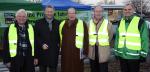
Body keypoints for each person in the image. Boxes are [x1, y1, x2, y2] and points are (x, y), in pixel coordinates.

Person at [114, 3, 149, 72]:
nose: (127, 11)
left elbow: (145, 39)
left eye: (129, 9)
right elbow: (117, 38)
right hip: (122, 55)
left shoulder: (140, 22)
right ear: (123, 11)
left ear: (133, 10)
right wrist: (116, 52)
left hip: (134, 56)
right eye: (125, 10)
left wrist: (144, 53)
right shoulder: (120, 22)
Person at [59, 7, 88, 72]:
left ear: (75, 14)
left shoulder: (82, 23)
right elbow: (60, 37)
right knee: (66, 68)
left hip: (77, 51)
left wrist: (85, 51)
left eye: (73, 13)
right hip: (66, 52)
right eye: (70, 13)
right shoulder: (62, 24)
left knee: (77, 68)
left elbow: (86, 38)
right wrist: (60, 49)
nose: (71, 15)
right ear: (67, 14)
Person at [35, 5, 60, 72]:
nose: (49, 13)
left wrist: (59, 46)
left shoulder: (58, 23)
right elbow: (36, 37)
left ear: (53, 12)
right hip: (42, 53)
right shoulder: (38, 23)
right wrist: (41, 44)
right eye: (47, 11)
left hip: (54, 53)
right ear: (44, 12)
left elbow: (60, 37)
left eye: (51, 11)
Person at [88, 5, 113, 72]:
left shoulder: (108, 23)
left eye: (100, 11)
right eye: (96, 11)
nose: (98, 13)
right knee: (93, 69)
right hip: (92, 51)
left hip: (103, 52)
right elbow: (87, 36)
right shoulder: (89, 23)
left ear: (102, 12)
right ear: (94, 12)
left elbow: (110, 36)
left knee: (103, 70)